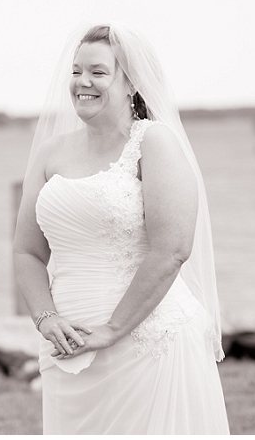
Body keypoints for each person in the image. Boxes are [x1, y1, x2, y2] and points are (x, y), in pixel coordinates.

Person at [13, 24, 229, 434]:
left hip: (145, 344)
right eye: (76, 71)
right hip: (68, 350)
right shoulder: (49, 153)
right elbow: (27, 252)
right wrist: (46, 319)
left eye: (98, 71)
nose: (82, 82)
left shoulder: (155, 143)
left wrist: (111, 330)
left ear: (131, 82)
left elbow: (172, 250)